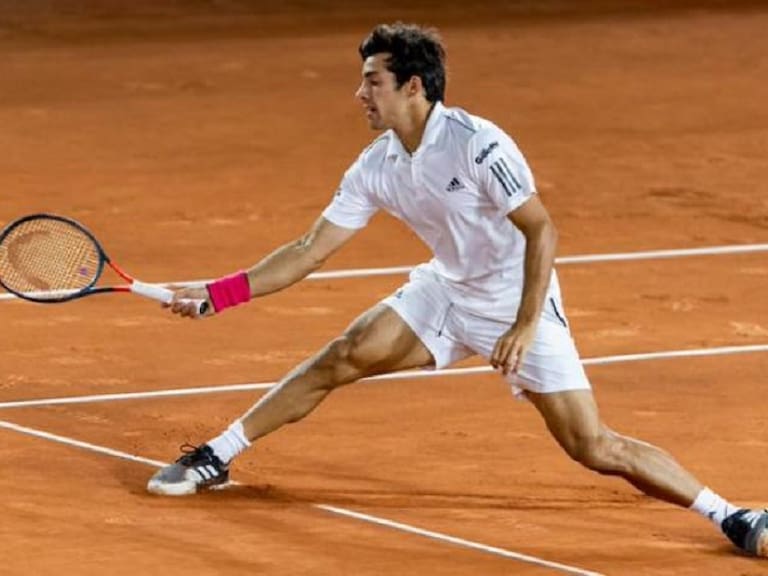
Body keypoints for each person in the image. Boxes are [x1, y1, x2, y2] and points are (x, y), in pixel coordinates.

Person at [146, 22, 767, 557]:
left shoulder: (478, 144)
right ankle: (217, 454)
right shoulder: (376, 164)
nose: (360, 94)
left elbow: (541, 230)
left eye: (372, 81)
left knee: (593, 446)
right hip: (446, 291)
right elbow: (310, 249)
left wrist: (525, 324)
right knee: (342, 355)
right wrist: (218, 292)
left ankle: (732, 515)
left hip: (516, 299)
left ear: (413, 87)